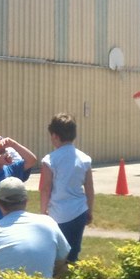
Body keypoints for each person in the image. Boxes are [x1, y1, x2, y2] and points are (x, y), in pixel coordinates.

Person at [39, 112, 94, 263]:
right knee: (74, 252)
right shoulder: (84, 159)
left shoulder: (50, 160)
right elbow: (89, 189)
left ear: (55, 136)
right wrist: (90, 210)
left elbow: (45, 188)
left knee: (56, 253)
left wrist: (43, 212)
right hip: (79, 210)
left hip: (58, 212)